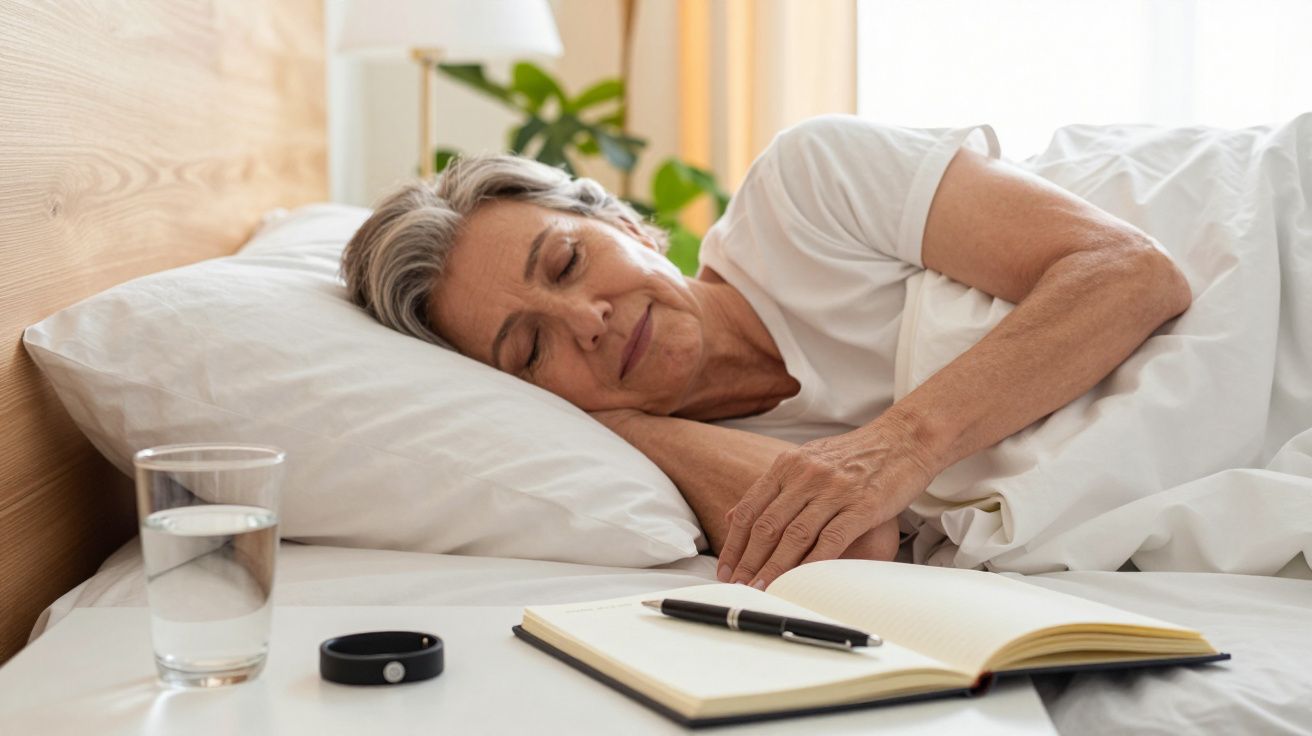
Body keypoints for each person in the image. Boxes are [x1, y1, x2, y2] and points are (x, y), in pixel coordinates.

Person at [340, 115, 1192, 589]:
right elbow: (860, 550)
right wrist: (622, 424)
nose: (586, 321)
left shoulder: (805, 190)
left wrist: (899, 447)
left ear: (626, 223)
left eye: (566, 262)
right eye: (530, 349)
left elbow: (1130, 273)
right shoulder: (686, 466)